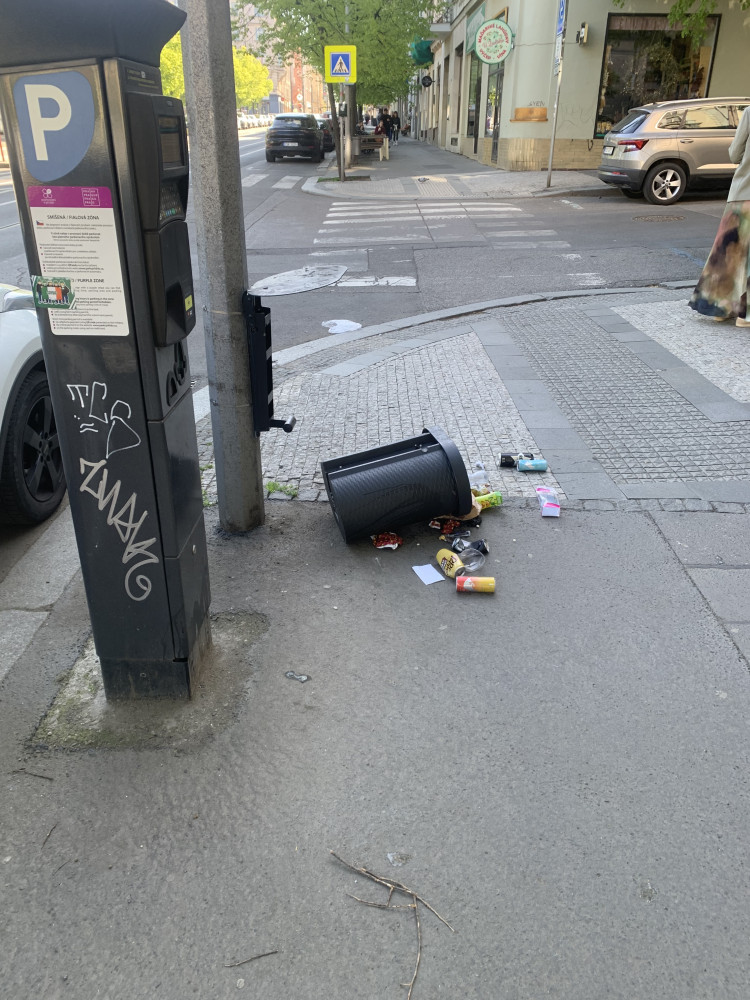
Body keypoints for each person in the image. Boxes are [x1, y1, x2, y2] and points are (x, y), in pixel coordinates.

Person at [689, 103, 750, 328]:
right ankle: (745, 315)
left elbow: (734, 154)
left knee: (728, 252)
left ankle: (721, 308)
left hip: (743, 193)